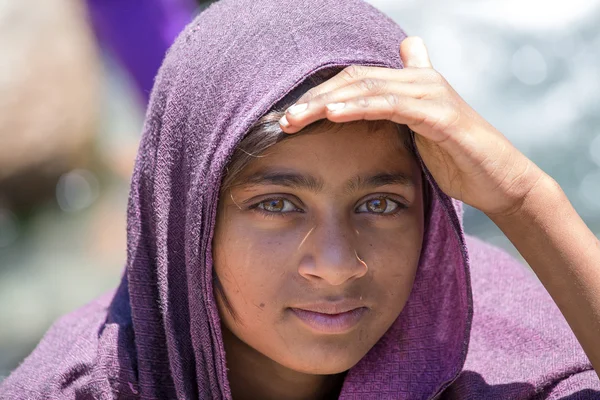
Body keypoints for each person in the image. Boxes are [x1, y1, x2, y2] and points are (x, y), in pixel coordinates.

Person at [2, 0, 599, 398]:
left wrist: (524, 197)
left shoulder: (509, 355)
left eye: (381, 204)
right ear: (186, 218)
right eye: (277, 205)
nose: (337, 264)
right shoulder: (82, 387)